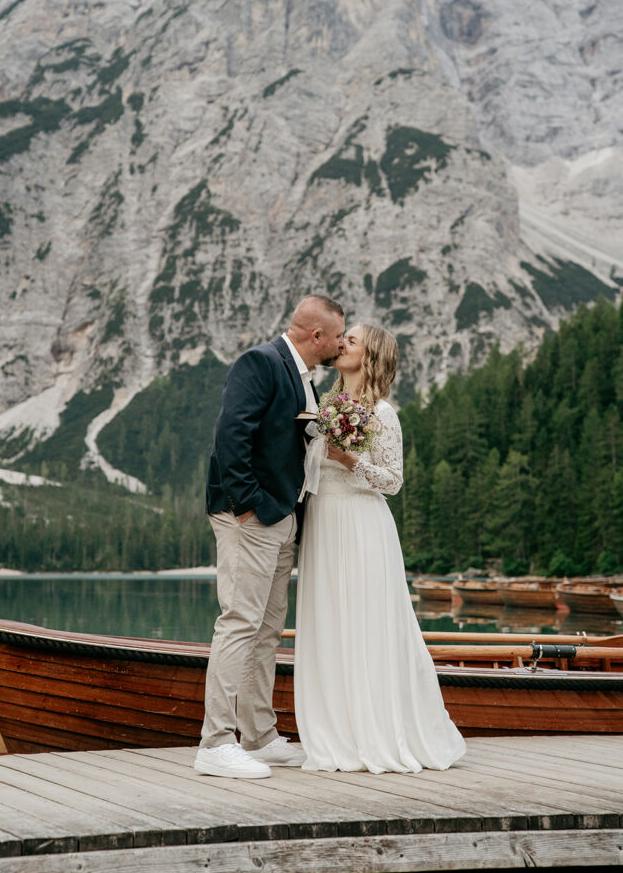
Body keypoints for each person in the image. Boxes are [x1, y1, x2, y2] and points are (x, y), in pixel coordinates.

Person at [295, 323, 466, 773]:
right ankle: (334, 731)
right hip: (323, 522)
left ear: (369, 356)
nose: (340, 343)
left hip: (361, 523)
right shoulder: (324, 405)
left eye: (350, 340)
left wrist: (350, 459)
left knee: (366, 623)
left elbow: (393, 481)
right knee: (328, 621)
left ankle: (374, 731)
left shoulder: (383, 413)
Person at [195, 295, 346, 778]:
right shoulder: (260, 361)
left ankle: (258, 737)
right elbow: (231, 433)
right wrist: (248, 506)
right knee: (240, 621)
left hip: (282, 518)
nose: (342, 343)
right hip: (252, 518)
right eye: (338, 335)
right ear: (317, 336)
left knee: (266, 629)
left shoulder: (304, 376)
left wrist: (285, 514)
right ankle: (215, 742)